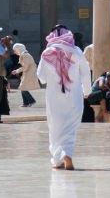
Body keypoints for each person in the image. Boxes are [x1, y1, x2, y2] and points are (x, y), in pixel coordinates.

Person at [36, 25, 91, 171]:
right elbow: (85, 72)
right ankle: (67, 153)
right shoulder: (77, 51)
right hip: (74, 96)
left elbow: (41, 78)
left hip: (54, 98)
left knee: (55, 128)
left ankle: (58, 160)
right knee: (70, 127)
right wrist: (87, 90)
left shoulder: (47, 53)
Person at [11, 43, 39, 108]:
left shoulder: (25, 55)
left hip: (29, 73)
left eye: (15, 50)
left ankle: (31, 101)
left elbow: (25, 67)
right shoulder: (25, 55)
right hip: (28, 73)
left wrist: (16, 71)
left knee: (23, 87)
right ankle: (25, 103)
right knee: (23, 88)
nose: (14, 52)